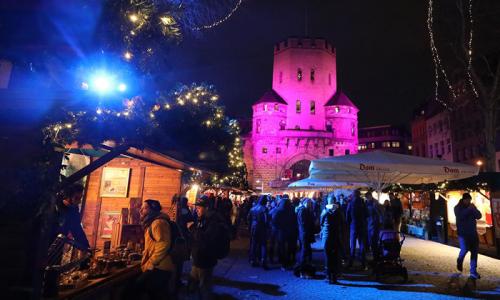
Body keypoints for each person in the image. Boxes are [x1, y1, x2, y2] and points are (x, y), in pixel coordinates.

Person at [129, 199, 173, 300]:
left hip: (160, 266)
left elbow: (163, 244)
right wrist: (143, 255)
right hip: (158, 265)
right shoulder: (153, 222)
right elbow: (153, 244)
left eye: (144, 208)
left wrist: (152, 262)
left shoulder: (158, 223)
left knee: (139, 287)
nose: (141, 211)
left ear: (153, 210)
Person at [189, 195, 221, 299]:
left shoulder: (213, 221)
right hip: (198, 258)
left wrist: (193, 228)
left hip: (205, 260)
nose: (196, 210)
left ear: (207, 208)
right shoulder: (202, 219)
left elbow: (205, 240)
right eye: (196, 207)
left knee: (204, 286)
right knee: (194, 284)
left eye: (199, 208)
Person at [52, 184, 90, 251]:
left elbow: (77, 231)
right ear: (68, 196)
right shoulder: (53, 207)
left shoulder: (74, 210)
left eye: (80, 198)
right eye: (77, 198)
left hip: (57, 248)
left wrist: (87, 248)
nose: (79, 201)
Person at [454, 193, 482, 279]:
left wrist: (474, 209)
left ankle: (473, 271)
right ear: (463, 200)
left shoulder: (471, 207)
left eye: (470, 200)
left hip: (473, 234)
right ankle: (459, 260)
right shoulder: (457, 207)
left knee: (474, 252)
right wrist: (469, 209)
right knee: (464, 249)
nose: (469, 201)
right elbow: (460, 216)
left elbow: (479, 216)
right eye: (467, 200)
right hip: (463, 234)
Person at [320, 196, 345, 284]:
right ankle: (334, 277)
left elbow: (321, 222)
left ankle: (328, 276)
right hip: (336, 237)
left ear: (328, 202)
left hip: (327, 237)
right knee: (335, 257)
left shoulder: (325, 211)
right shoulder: (339, 212)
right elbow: (343, 223)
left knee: (328, 257)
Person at [272, 194, 297, 270]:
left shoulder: (278, 210)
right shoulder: (292, 210)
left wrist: (278, 227)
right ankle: (290, 260)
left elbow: (274, 220)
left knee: (281, 247)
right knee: (289, 246)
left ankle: (282, 261)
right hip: (290, 231)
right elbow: (295, 220)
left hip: (281, 231)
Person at [346, 190, 367, 269]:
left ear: (353, 195)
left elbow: (347, 215)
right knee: (362, 245)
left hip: (353, 226)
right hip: (362, 226)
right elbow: (366, 214)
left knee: (353, 245)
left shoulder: (351, 203)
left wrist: (349, 224)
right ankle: (363, 263)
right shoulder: (362, 203)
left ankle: (351, 262)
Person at [247, 195, 269, 269]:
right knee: (263, 244)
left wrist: (250, 226)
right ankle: (263, 260)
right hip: (261, 227)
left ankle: (253, 260)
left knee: (254, 244)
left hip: (254, 226)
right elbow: (266, 220)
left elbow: (248, 218)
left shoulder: (253, 208)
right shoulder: (264, 209)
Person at [296, 198, 315, 274]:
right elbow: (303, 223)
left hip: (305, 233)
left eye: (310, 203)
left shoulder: (306, 210)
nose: (309, 204)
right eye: (308, 203)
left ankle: (306, 264)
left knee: (307, 249)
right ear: (304, 203)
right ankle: (302, 266)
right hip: (304, 233)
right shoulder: (302, 211)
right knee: (304, 249)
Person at [365, 191, 382, 258]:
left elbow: (379, 213)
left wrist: (380, 221)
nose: (367, 198)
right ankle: (373, 252)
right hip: (369, 222)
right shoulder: (366, 202)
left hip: (374, 223)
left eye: (367, 197)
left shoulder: (375, 202)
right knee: (370, 238)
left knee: (374, 238)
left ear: (370, 196)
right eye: (366, 197)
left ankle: (375, 253)